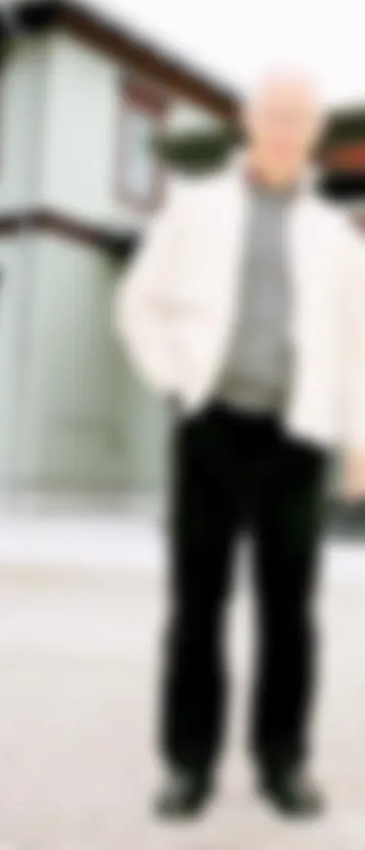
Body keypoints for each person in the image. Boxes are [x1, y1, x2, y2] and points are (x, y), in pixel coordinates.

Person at [114, 69, 365, 821]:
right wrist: (179, 381)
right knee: (199, 606)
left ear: (311, 130)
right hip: (213, 428)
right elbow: (141, 304)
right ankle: (189, 767)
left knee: (288, 612)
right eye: (273, 114)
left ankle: (282, 764)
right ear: (252, 123)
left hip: (298, 437)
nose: (284, 127)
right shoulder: (197, 209)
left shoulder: (334, 233)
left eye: (298, 116)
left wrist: (356, 446)